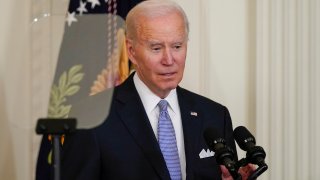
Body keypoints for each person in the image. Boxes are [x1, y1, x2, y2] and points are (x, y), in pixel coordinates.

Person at [37, 0, 254, 179]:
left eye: (177, 46)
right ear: (131, 52)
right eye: (156, 48)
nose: (169, 60)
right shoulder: (92, 118)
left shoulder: (214, 116)